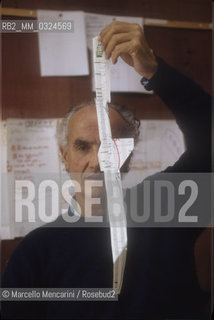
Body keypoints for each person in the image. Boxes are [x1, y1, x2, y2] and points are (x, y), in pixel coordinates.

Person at [1, 21, 211, 319]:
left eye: (111, 147)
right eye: (83, 146)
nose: (99, 162)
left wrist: (155, 71)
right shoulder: (36, 252)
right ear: (65, 157)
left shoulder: (167, 208)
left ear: (128, 157)